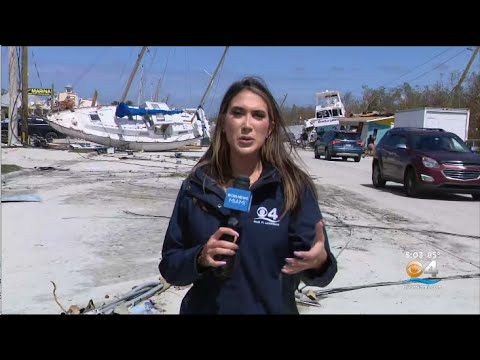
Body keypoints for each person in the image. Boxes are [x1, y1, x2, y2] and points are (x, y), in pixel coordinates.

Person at [159, 76, 337, 314]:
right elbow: (170, 267)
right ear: (223, 121)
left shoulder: (292, 188)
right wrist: (200, 257)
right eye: (238, 113)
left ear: (270, 127)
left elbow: (319, 273)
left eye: (258, 115)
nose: (247, 124)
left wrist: (320, 262)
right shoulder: (196, 186)